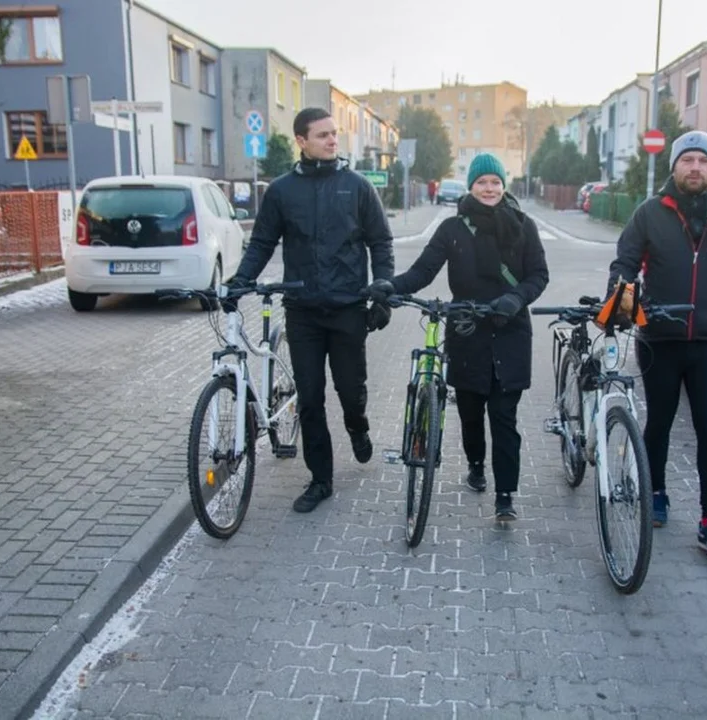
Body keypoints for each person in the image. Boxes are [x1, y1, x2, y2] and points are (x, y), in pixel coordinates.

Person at [227, 107, 395, 513]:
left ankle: (358, 427)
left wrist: (383, 291)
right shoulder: (282, 192)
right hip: (302, 310)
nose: (332, 140)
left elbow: (381, 242)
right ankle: (321, 480)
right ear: (301, 141)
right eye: (323, 135)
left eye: (334, 134)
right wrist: (240, 279)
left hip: (348, 308)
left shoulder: (356, 187)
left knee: (350, 390)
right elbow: (263, 243)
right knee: (310, 398)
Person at [369, 153, 549, 520]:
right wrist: (391, 286)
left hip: (510, 329)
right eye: (482, 182)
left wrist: (515, 298)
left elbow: (538, 275)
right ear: (471, 186)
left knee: (504, 417)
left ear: (504, 185)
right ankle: (477, 464)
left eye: (495, 182)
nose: (489, 188)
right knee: (470, 412)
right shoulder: (452, 229)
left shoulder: (523, 225)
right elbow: (423, 271)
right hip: (467, 331)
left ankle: (505, 496)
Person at [608, 130, 707, 557]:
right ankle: (657, 494)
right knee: (660, 423)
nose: (694, 168)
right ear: (674, 167)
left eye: (702, 162)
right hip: (660, 338)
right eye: (687, 160)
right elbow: (626, 263)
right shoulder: (650, 213)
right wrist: (620, 304)